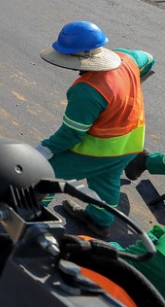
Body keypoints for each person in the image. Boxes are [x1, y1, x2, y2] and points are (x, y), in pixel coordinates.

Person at [36, 21, 156, 237]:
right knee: (106, 182)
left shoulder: (87, 91)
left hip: (99, 150)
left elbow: (71, 134)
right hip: (130, 144)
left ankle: (32, 214)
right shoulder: (126, 58)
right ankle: (99, 220)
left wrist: (44, 150)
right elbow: (149, 59)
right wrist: (137, 79)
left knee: (47, 174)